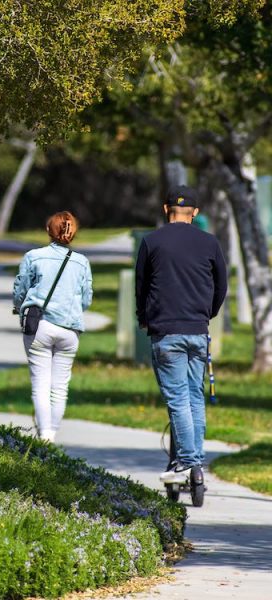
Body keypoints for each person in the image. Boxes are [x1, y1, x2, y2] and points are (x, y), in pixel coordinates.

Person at [135, 185, 227, 483]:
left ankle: (188, 463)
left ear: (165, 210)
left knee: (177, 399)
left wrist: (144, 318)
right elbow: (221, 286)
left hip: (166, 331)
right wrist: (206, 314)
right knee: (194, 397)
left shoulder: (151, 242)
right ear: (195, 213)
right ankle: (194, 463)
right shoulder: (210, 243)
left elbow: (142, 286)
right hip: (197, 330)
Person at [13, 211, 93, 442]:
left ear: (49, 230)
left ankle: (44, 436)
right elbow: (86, 299)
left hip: (40, 326)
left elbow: (20, 289)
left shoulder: (34, 257)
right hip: (70, 330)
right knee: (60, 386)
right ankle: (53, 433)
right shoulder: (82, 262)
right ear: (73, 233)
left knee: (40, 384)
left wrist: (19, 306)